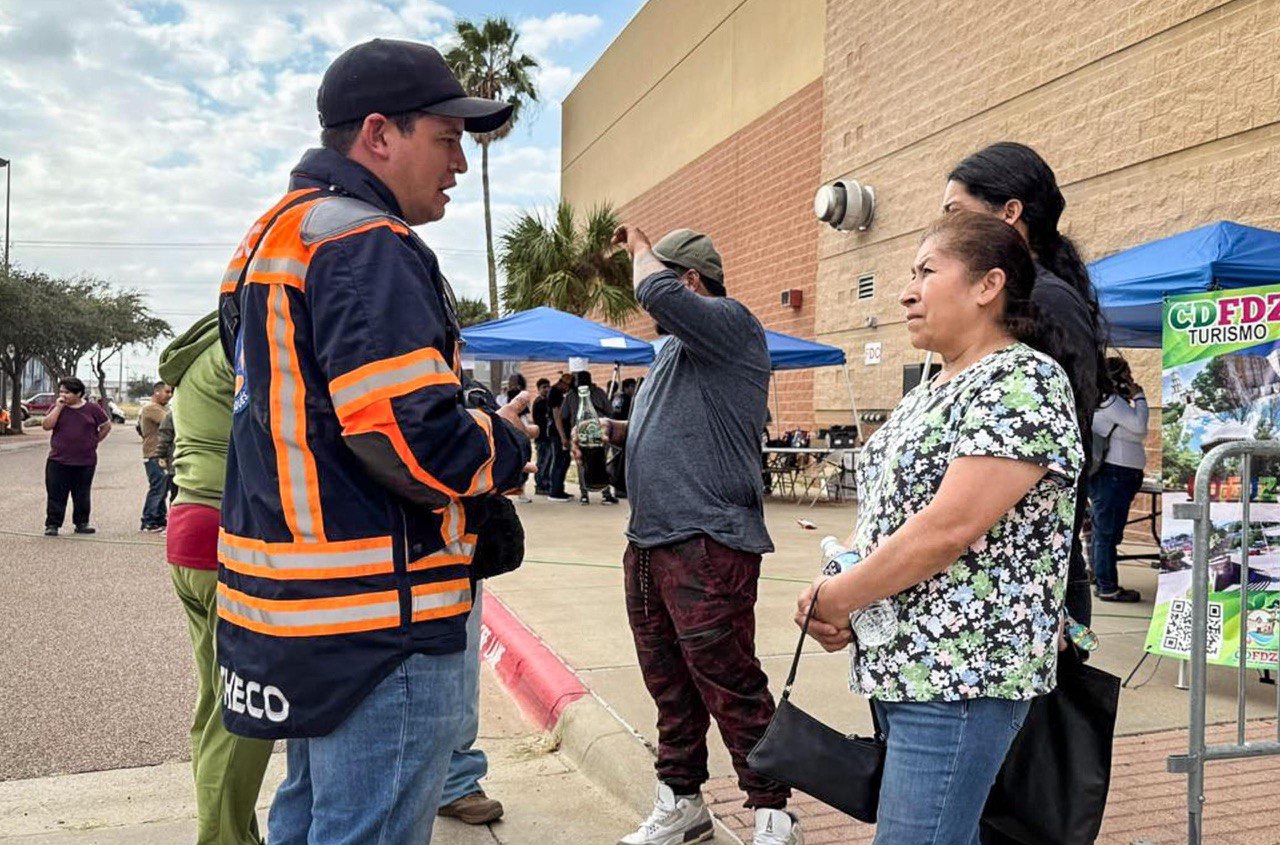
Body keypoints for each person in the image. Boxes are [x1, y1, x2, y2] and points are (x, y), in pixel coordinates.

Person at [216, 38, 532, 845]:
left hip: (295, 610)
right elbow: (414, 443)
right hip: (379, 623)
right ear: (380, 134)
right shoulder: (365, 242)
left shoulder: (266, 241)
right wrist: (506, 442)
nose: (459, 163)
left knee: (306, 817)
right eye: (448, 137)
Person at [796, 212, 1082, 844]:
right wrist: (836, 581)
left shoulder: (1022, 380)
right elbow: (886, 514)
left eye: (926, 272)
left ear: (988, 286)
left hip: (962, 673)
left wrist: (842, 597)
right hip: (907, 665)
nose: (906, 290)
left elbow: (948, 528)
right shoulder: (932, 388)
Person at [603, 226, 801, 845]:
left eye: (663, 278)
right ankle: (682, 802)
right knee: (669, 683)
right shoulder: (673, 355)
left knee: (730, 680)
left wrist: (641, 249)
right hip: (651, 542)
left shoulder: (733, 323)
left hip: (707, 541)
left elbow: (657, 292)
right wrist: (623, 433)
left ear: (689, 281)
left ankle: (773, 813)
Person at [943, 141, 1109, 628]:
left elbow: (1056, 441)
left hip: (1026, 577)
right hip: (990, 569)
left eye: (956, 211)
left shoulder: (1046, 300)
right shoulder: (1012, 294)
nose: (945, 228)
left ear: (1010, 212)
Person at [158, 313, 275, 845]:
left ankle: (231, 832)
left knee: (215, 702)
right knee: (246, 708)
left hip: (188, 525)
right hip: (226, 530)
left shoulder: (197, 356)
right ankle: (223, 839)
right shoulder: (242, 343)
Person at [1088, 356, 1149, 603]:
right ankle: (1107, 586)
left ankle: (1102, 578)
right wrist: (1141, 397)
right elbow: (1139, 427)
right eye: (1127, 373)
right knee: (1106, 533)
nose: (1131, 379)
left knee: (1107, 533)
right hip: (1114, 473)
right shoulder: (1110, 401)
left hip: (1118, 474)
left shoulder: (1106, 400)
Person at [42, 377, 110, 537]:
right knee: (56, 494)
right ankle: (53, 524)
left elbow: (106, 426)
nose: (63, 395)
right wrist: (58, 407)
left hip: (85, 461)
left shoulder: (92, 409)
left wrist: (94, 441)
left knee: (82, 493)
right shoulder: (57, 407)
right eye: (61, 392)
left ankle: (81, 522)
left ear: (78, 393)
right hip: (58, 460)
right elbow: (46, 425)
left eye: (67, 392)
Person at [561, 368, 619, 505]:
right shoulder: (599, 393)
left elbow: (564, 415)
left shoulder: (571, 395)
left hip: (580, 433)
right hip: (599, 432)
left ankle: (584, 494)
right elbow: (610, 411)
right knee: (601, 461)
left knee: (582, 463)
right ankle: (605, 493)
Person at [138, 382, 174, 532]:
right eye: (167, 391)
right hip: (154, 453)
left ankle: (159, 518)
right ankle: (149, 520)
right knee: (158, 487)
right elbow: (172, 421)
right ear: (157, 392)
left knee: (163, 487)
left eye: (171, 392)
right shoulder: (151, 408)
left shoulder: (164, 408)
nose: (170, 394)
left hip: (163, 453)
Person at [546, 371, 575, 503]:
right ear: (563, 383)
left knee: (564, 460)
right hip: (558, 433)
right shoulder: (555, 394)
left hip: (561, 432)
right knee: (559, 461)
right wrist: (563, 437)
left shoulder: (557, 393)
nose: (568, 389)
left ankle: (559, 489)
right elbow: (557, 417)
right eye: (568, 386)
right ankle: (555, 491)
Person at [531, 378, 553, 495]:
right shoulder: (539, 402)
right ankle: (540, 485)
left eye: (548, 387)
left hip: (548, 437)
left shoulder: (547, 401)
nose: (546, 389)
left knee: (548, 461)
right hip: (542, 437)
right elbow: (542, 421)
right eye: (544, 387)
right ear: (539, 389)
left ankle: (546, 483)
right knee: (542, 462)